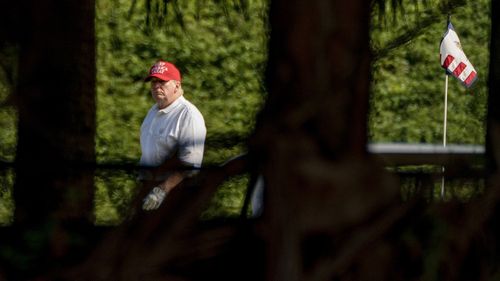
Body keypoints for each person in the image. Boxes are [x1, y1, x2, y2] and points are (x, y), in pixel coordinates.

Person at [139, 60, 206, 211]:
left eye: (162, 81)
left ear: (177, 85)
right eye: (153, 81)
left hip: (176, 195)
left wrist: (162, 190)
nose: (156, 85)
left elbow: (190, 164)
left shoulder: (189, 115)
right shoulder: (152, 112)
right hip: (149, 190)